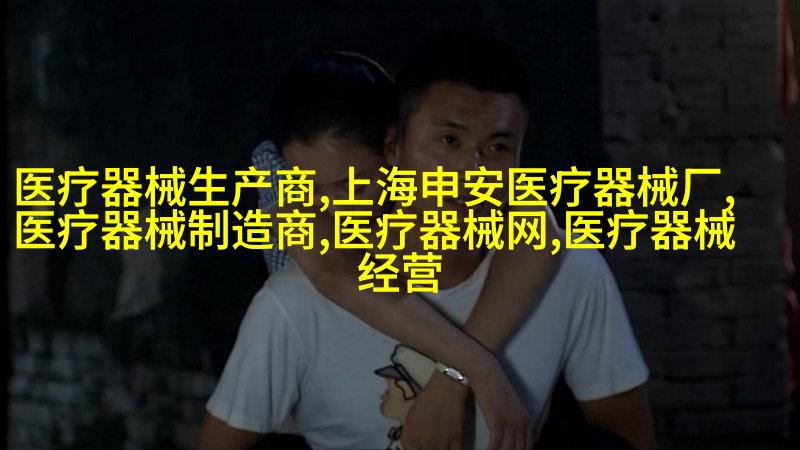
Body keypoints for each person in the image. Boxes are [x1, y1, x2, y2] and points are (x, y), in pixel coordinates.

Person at [199, 32, 655, 449]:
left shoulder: (560, 259)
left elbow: (543, 237)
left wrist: (456, 378)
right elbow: (330, 272)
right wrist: (478, 370)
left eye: (497, 148)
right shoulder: (293, 285)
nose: (471, 171)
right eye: (448, 141)